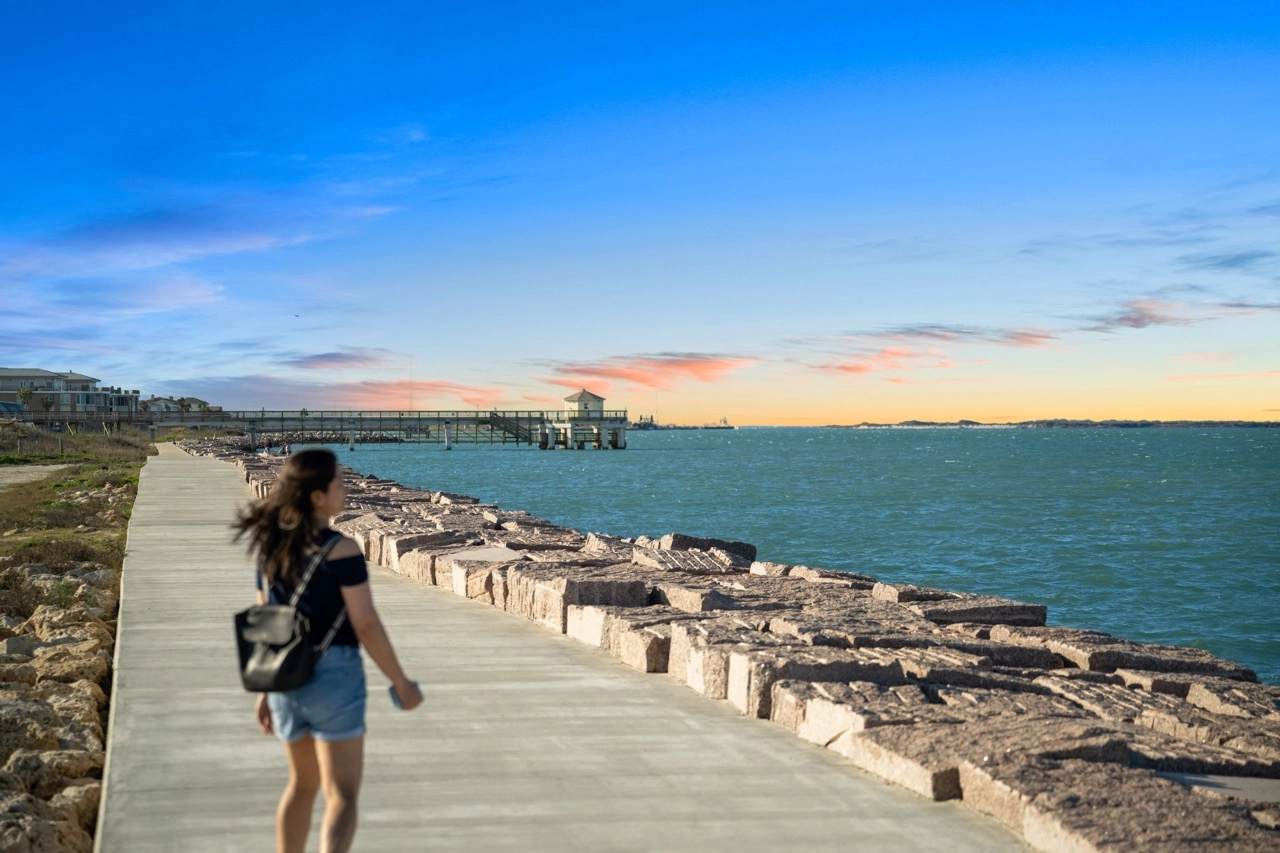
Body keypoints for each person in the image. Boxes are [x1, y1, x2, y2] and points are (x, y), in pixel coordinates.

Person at [234, 448, 422, 853]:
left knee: (301, 787)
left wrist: (266, 691)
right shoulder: (342, 550)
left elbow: (268, 622)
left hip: (286, 678)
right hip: (334, 675)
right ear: (317, 496)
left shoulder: (270, 547)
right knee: (342, 795)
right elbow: (366, 624)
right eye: (338, 482)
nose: (346, 488)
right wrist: (400, 682)